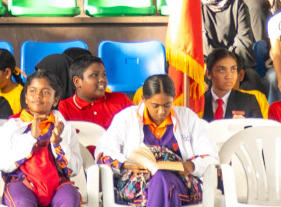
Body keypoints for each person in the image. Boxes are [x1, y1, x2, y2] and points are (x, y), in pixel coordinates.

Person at [94, 75, 216, 207]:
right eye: (155, 105)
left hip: (182, 183)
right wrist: (126, 164)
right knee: (164, 183)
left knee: (162, 178)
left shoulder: (187, 117)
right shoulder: (126, 118)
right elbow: (103, 152)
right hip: (136, 185)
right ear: (144, 99)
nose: (161, 111)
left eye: (167, 105)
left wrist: (192, 165)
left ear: (173, 99)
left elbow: (211, 155)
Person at [0, 70, 82, 207]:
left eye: (46, 92)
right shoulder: (12, 125)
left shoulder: (64, 126)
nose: (38, 96)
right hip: (21, 183)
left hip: (56, 183)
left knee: (70, 200)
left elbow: (74, 169)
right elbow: (5, 165)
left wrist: (57, 144)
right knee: (23, 203)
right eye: (33, 91)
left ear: (55, 100)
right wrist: (31, 137)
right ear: (25, 97)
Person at [199, 0, 257, 89]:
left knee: (252, 79)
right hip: (206, 64)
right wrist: (218, 64)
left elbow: (244, 41)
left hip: (234, 64)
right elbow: (200, 42)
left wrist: (227, 65)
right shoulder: (196, 6)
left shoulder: (238, 5)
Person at [57, 55, 132, 130]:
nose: (102, 79)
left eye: (104, 74)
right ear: (77, 82)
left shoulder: (120, 100)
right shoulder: (65, 107)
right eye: (94, 75)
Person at [201, 50, 263, 121]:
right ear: (208, 74)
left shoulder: (249, 101)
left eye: (233, 69)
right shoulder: (200, 102)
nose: (229, 76)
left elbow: (257, 130)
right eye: (222, 70)